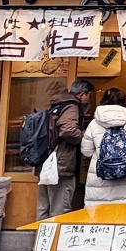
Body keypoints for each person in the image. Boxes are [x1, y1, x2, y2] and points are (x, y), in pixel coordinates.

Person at [80, 88, 126, 208]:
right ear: (124, 101)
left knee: (102, 220)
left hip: (102, 183)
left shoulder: (94, 123)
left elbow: (86, 151)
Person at [37, 79, 95, 220]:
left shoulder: (57, 104)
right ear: (82, 94)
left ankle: (40, 238)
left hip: (46, 160)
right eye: (89, 96)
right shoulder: (71, 107)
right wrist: (85, 136)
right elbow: (68, 131)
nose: (89, 99)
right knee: (59, 207)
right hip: (60, 164)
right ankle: (56, 240)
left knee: (43, 207)